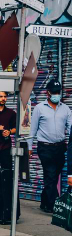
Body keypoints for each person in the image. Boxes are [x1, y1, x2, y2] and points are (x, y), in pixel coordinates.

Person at [29, 80, 72, 213]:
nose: (56, 95)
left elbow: (71, 128)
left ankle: (44, 201)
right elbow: (33, 129)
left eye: (58, 92)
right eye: (54, 92)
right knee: (50, 174)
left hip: (60, 147)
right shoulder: (39, 108)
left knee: (53, 176)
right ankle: (53, 206)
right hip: (45, 147)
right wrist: (29, 147)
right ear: (48, 93)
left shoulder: (65, 108)